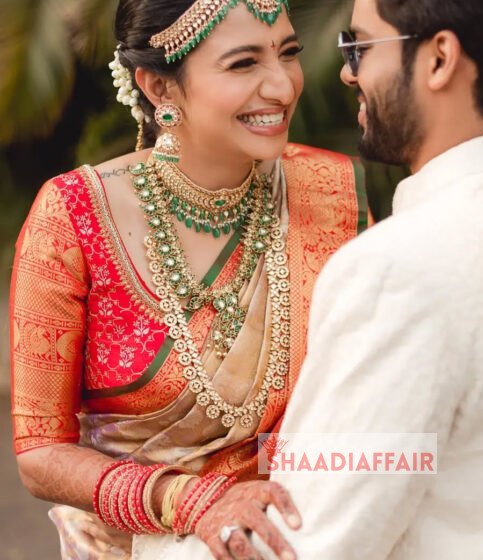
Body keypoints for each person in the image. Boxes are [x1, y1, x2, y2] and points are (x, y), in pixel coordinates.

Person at [145, 0, 483, 558]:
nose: (348, 73)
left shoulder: (400, 270)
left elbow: (304, 541)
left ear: (439, 59)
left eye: (361, 47)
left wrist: (137, 542)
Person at [10, 1, 369, 559]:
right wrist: (189, 502)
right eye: (243, 63)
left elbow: (368, 402)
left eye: (289, 53)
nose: (282, 87)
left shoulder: (328, 193)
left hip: (299, 533)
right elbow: (39, 453)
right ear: (158, 86)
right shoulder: (73, 218)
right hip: (132, 546)